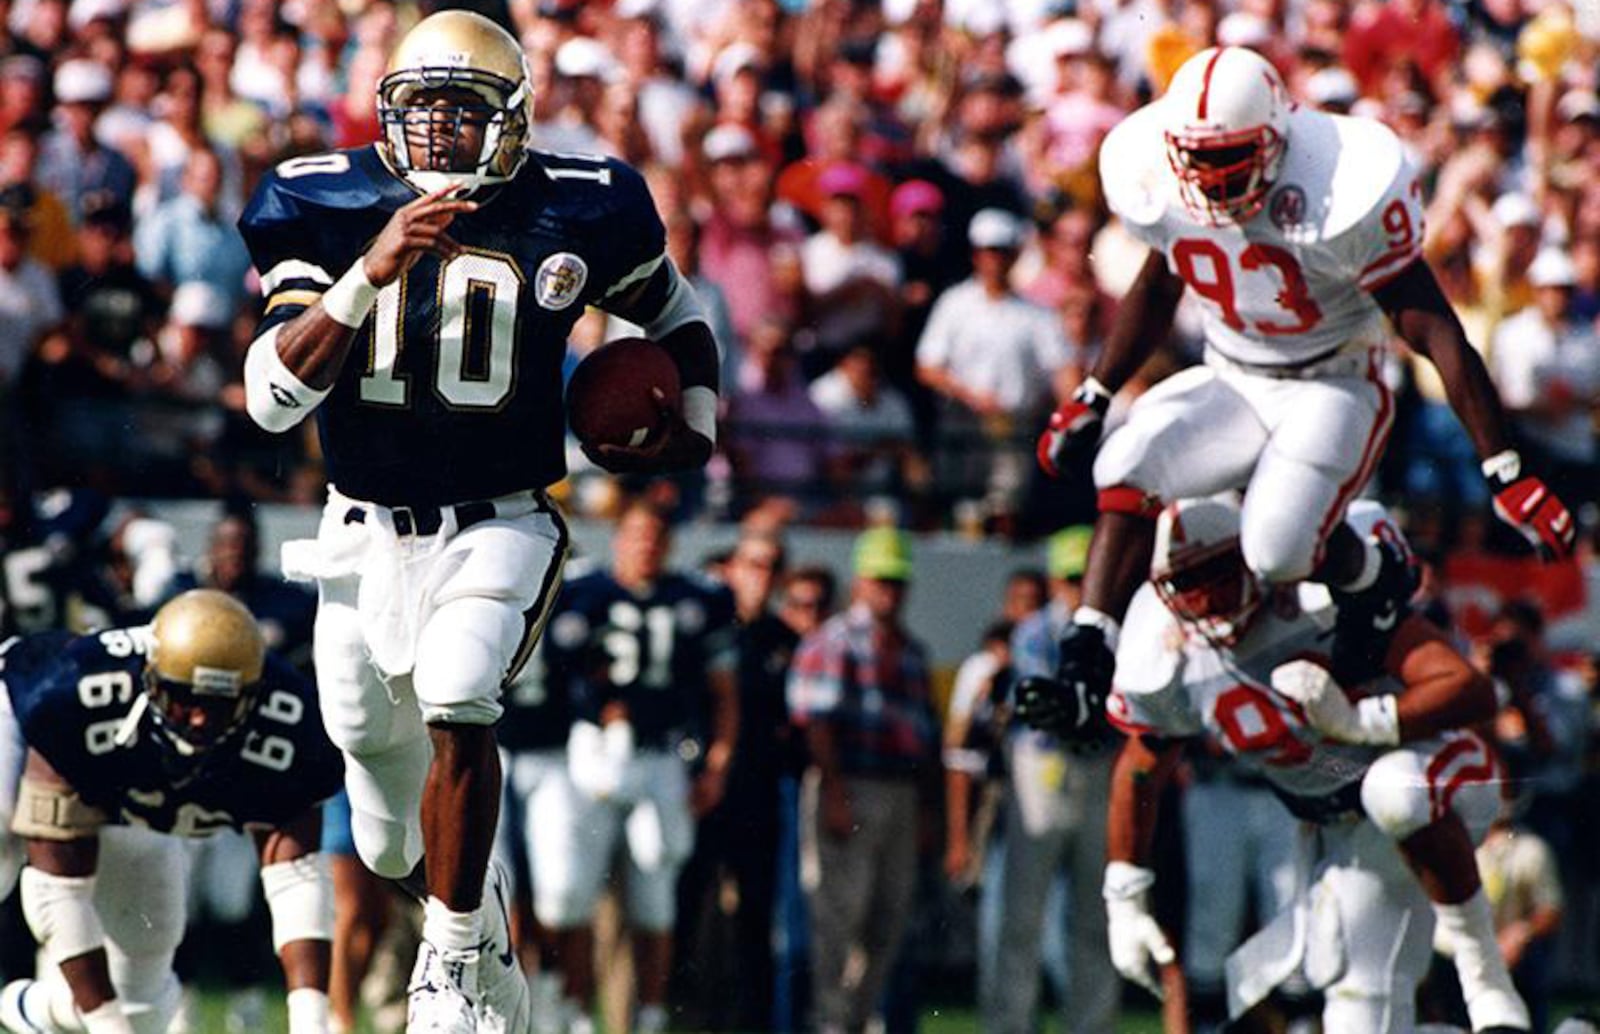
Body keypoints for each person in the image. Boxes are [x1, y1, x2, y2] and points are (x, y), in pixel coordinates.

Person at [235, 10, 720, 1033]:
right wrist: (371, 266)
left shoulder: (580, 205)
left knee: (460, 693)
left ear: (513, 116)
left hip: (501, 516)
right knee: (376, 821)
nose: (440, 129)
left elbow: (674, 316)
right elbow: (271, 401)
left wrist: (697, 428)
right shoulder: (324, 203)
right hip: (359, 530)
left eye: (463, 108)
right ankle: (482, 926)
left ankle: (450, 961)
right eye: (422, 108)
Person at [1034, 46, 1576, 720]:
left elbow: (1435, 329)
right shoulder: (1163, 183)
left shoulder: (1339, 187)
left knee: (1278, 550)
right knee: (1124, 461)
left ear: (1275, 141)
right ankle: (1089, 644)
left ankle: (1375, 574)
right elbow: (1157, 282)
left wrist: (1505, 469)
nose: (1209, 177)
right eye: (1198, 158)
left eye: (1228, 156)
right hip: (1232, 374)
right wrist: (1095, 393)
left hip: (1333, 383)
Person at [1024, 497, 1531, 1033]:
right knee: (1362, 1020)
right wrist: (1124, 891)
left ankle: (1486, 978)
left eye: (1219, 571)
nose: (1207, 596)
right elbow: (1141, 765)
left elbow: (1472, 691)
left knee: (1393, 791)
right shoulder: (1163, 656)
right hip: (1346, 825)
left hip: (1442, 778)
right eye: (1187, 580)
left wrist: (1362, 722)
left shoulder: (1317, 596)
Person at [0, 589, 343, 1034]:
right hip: (15, 711)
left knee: (144, 1009)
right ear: (153, 683)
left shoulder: (292, 722)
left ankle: (27, 1008)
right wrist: (107, 1027)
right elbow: (57, 886)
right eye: (187, 698)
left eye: (219, 704)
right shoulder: (73, 698)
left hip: (134, 793)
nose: (201, 719)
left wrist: (311, 1024)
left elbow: (298, 880)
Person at [535, 501, 738, 1034]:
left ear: (669, 544)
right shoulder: (582, 593)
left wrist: (717, 764)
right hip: (591, 752)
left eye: (655, 535)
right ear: (617, 538)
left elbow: (724, 693)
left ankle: (648, 1017)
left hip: (663, 757)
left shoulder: (698, 598)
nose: (645, 545)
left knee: (656, 902)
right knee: (568, 893)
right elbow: (554, 676)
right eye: (636, 534)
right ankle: (572, 1011)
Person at [786, 527, 941, 1034]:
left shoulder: (911, 651)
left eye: (897, 582)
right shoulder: (832, 641)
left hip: (898, 790)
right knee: (838, 916)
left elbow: (924, 740)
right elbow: (817, 723)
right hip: (848, 782)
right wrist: (833, 792)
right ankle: (831, 1020)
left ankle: (859, 1018)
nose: (889, 592)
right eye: (881, 581)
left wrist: (922, 809)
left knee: (888, 918)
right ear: (860, 582)